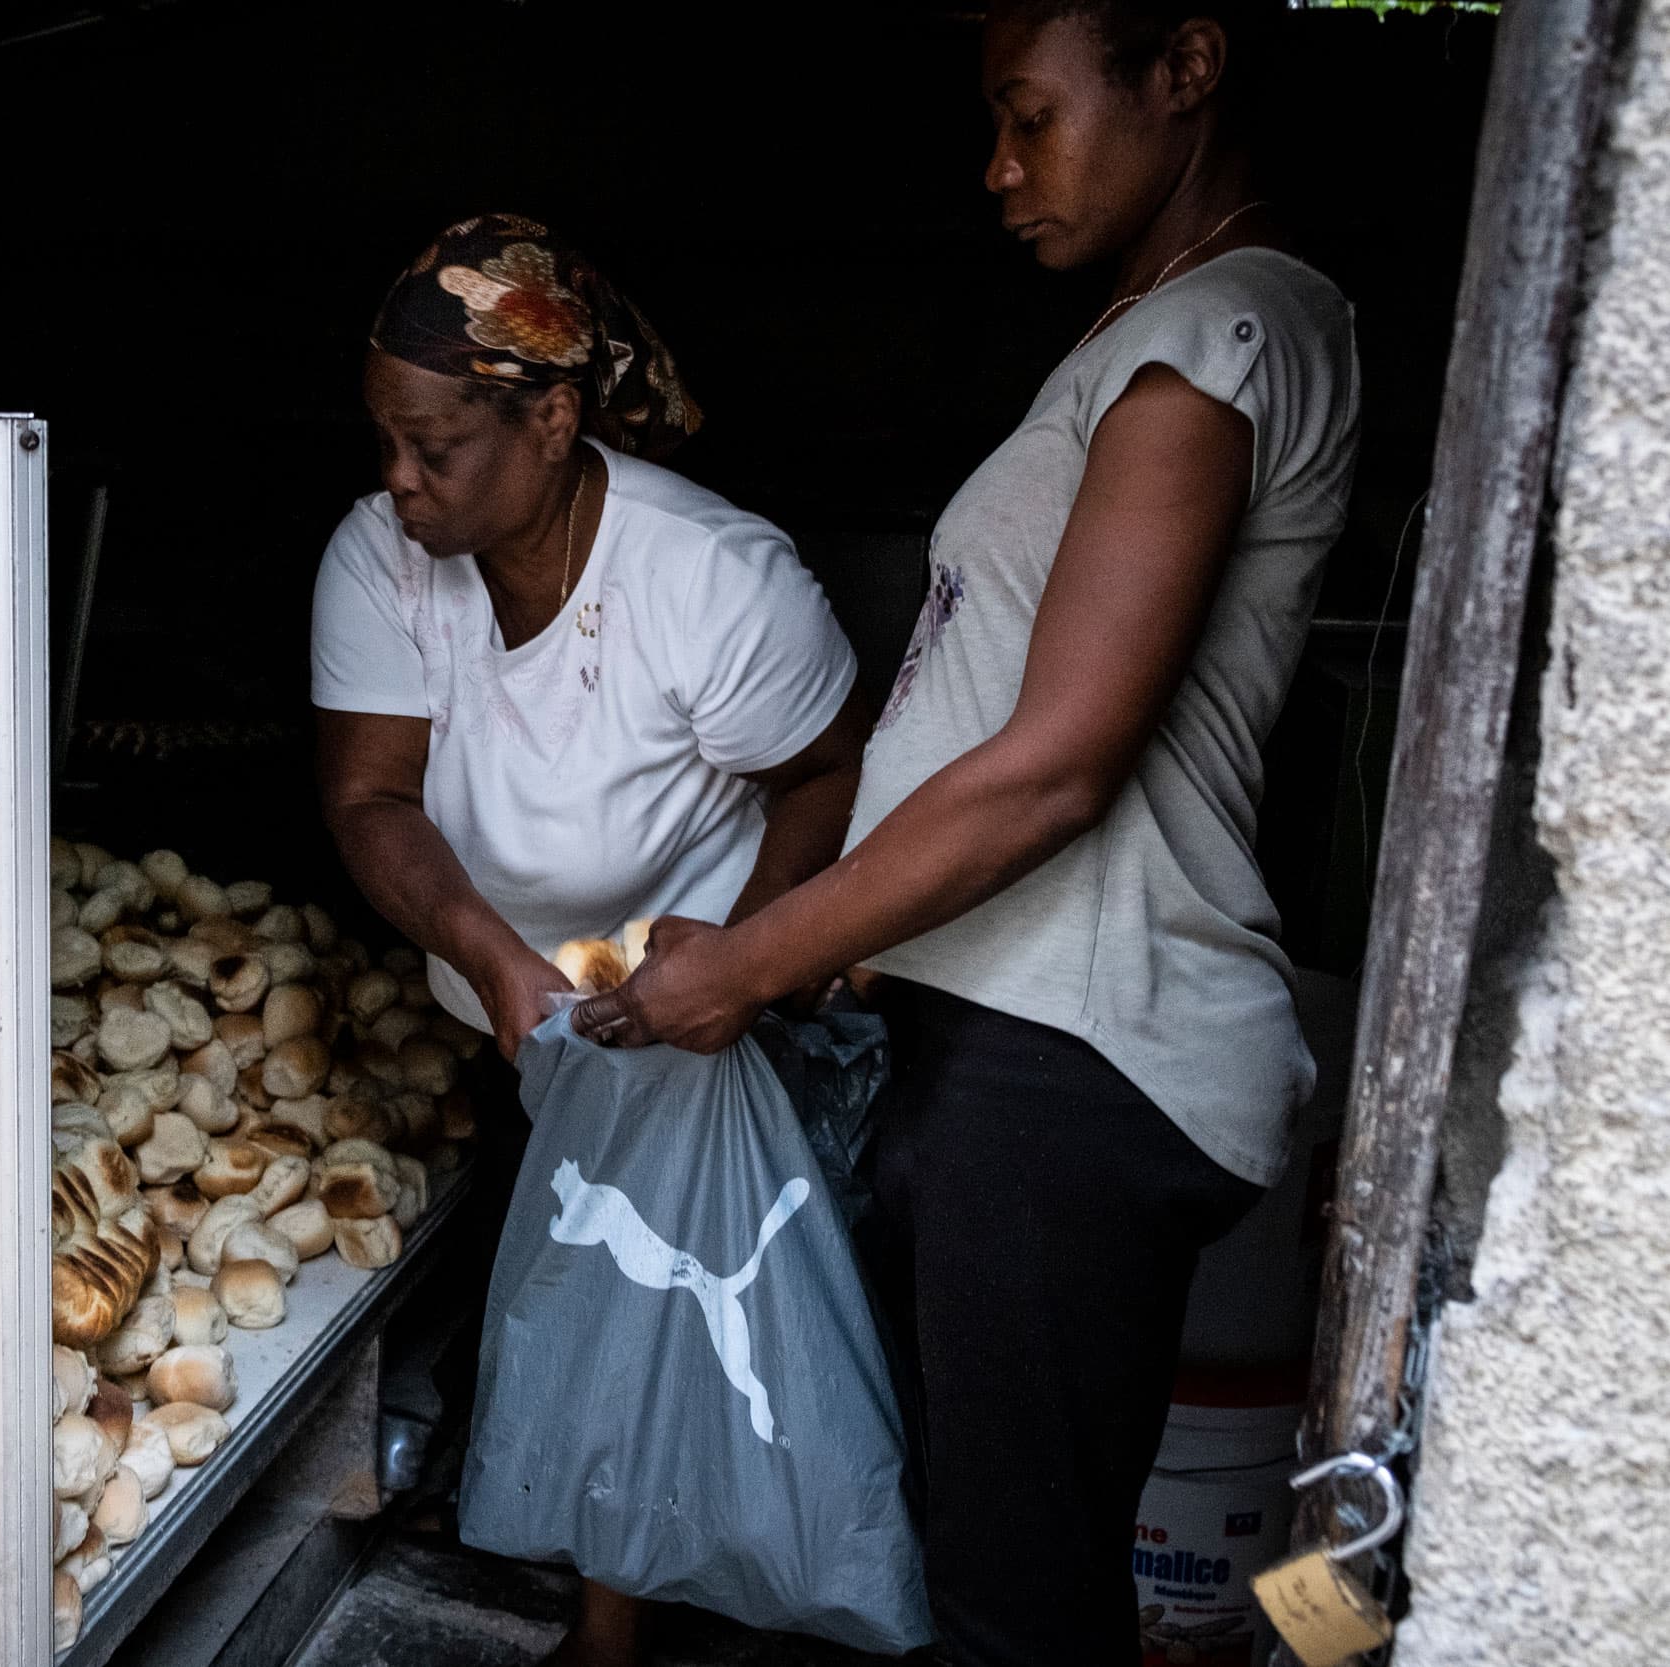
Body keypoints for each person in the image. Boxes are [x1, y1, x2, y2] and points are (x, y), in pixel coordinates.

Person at [573, 4, 1360, 1662]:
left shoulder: (1221, 333)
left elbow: (1059, 764)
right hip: (1008, 1032)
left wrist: (771, 958)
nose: (998, 172)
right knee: (925, 1563)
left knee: (1012, 1607)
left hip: (1078, 1052)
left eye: (1031, 118)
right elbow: (972, 709)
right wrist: (806, 945)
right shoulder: (1145, 335)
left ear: (1187, 68)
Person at [313, 213, 875, 1665]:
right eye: (386, 438)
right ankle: (592, 1583)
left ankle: (635, 1618)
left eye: (435, 445)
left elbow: (829, 775)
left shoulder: (708, 580)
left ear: (551, 418)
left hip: (683, 1004)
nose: (398, 477)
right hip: (518, 1005)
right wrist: (491, 954)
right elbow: (371, 795)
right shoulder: (385, 558)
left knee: (673, 1314)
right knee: (563, 1299)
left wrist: (740, 959)